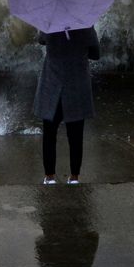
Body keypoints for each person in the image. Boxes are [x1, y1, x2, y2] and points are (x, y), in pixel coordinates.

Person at [33, 26, 100, 185]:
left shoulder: (49, 23)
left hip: (53, 86)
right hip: (76, 86)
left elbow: (41, 40)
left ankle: (49, 177)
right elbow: (96, 54)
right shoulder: (85, 24)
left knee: (49, 135)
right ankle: (74, 177)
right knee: (76, 136)